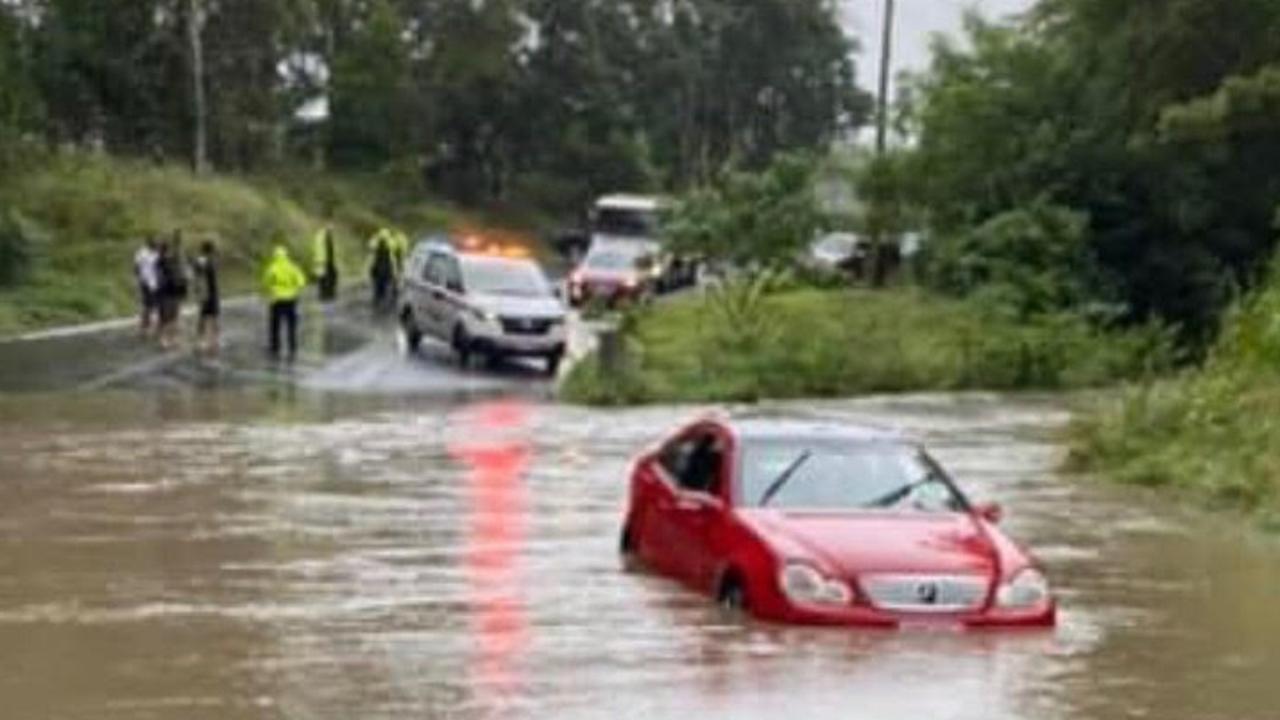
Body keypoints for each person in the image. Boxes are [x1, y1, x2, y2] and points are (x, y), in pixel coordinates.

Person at [262, 244, 307, 361]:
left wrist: (271, 290)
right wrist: (295, 290)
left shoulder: (272, 267)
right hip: (291, 300)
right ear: (287, 256)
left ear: (275, 256)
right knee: (291, 324)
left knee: (275, 325)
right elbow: (301, 282)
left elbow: (266, 282)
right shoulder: (293, 267)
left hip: (276, 300)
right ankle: (292, 346)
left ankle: (275, 346)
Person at [155, 237, 189, 350]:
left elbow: (158, 278)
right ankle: (173, 340)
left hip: (165, 293)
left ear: (160, 249)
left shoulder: (159, 261)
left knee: (165, 318)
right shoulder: (171, 260)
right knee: (174, 317)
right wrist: (178, 243)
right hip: (174, 292)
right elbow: (179, 256)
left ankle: (165, 341)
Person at [191, 240, 221, 356]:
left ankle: (201, 341)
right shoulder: (210, 261)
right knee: (214, 317)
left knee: (203, 317)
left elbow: (196, 275)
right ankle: (214, 341)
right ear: (211, 250)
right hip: (211, 293)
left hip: (203, 293)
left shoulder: (200, 261)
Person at [133, 236, 160, 337]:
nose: (156, 245)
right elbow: (136, 267)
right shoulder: (142, 253)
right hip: (146, 282)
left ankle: (147, 327)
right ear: (149, 243)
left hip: (155, 283)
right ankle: (145, 327)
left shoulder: (157, 253)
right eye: (154, 244)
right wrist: (137, 279)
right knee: (148, 305)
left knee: (151, 306)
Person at [367, 228, 396, 312]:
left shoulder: (376, 244)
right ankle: (380, 301)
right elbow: (392, 259)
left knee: (378, 287)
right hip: (385, 269)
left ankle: (377, 300)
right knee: (383, 286)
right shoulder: (390, 244)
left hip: (379, 269)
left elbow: (370, 246)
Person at [312, 226, 339, 303]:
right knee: (330, 277)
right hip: (325, 260)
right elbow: (329, 249)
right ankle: (328, 294)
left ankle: (323, 294)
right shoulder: (325, 236)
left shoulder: (319, 236)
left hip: (320, 260)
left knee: (322, 278)